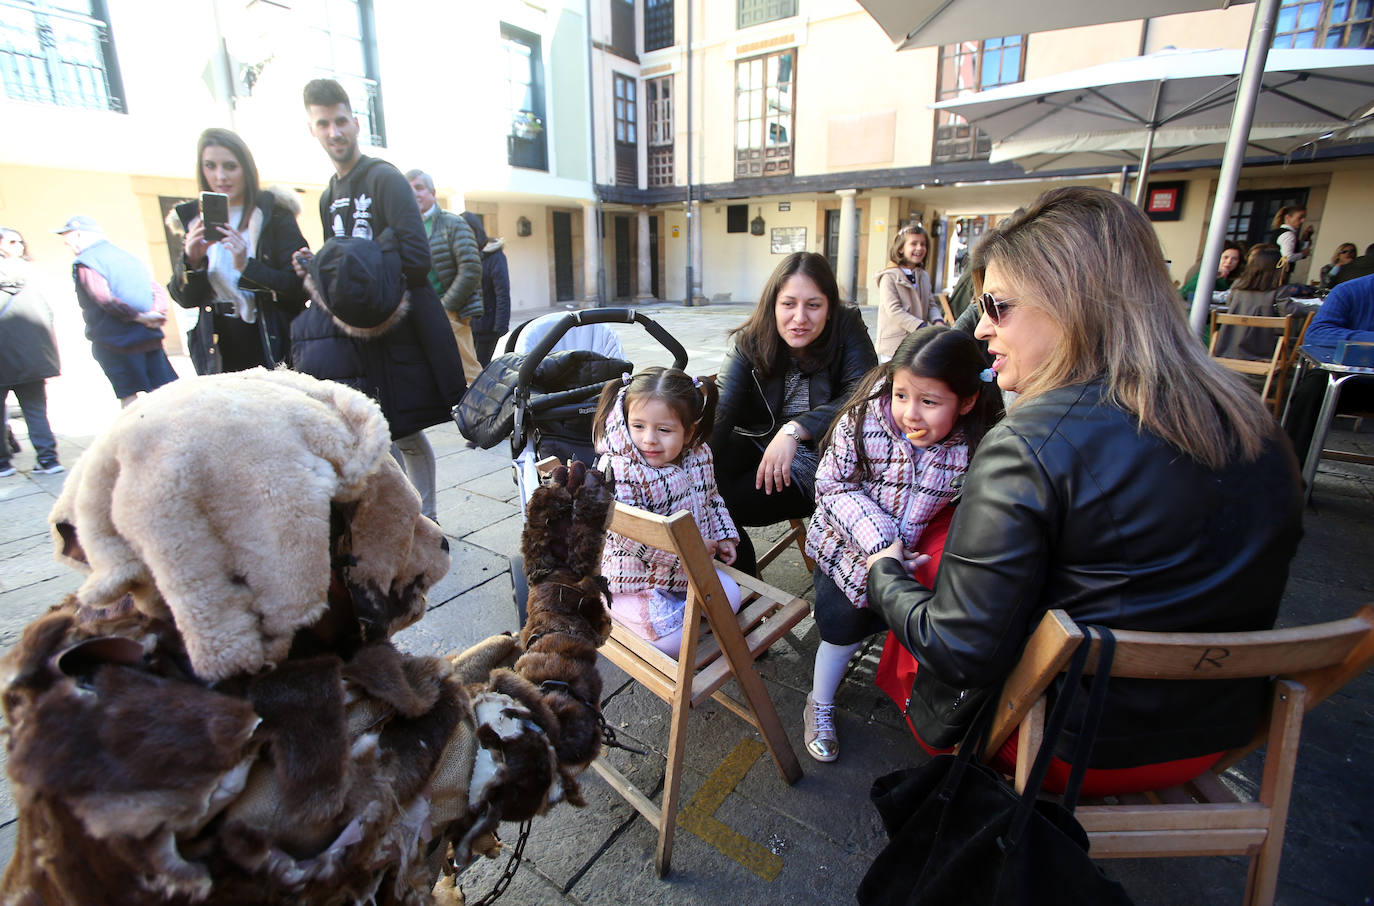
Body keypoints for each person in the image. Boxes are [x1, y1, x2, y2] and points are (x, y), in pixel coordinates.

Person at [867, 186, 1302, 797]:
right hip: (1217, 731)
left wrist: (883, 575)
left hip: (1069, 743)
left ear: (1070, 301)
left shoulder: (1029, 443)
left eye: (997, 304)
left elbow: (960, 651)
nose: (983, 327)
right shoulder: (1255, 420)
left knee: (924, 581)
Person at [801, 327, 1001, 762]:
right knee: (839, 631)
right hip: (846, 548)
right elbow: (831, 485)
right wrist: (882, 542)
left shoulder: (976, 440)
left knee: (911, 623)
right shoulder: (864, 418)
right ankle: (819, 702)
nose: (910, 414)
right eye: (902, 395)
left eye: (929, 402)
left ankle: (907, 691)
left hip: (908, 559)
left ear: (966, 402)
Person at [292, 78, 464, 523]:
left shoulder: (384, 178)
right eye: (323, 123)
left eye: (341, 120)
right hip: (356, 338)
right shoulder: (329, 194)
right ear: (312, 129)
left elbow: (416, 256)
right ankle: (395, 519)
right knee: (370, 432)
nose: (334, 132)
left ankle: (427, 522)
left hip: (398, 329)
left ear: (355, 121)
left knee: (403, 430)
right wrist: (318, 269)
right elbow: (341, 272)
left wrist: (366, 271)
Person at [711, 252, 878, 576]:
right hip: (760, 445)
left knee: (720, 505)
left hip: (823, 459)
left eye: (813, 305)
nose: (799, 318)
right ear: (773, 304)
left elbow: (863, 395)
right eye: (789, 304)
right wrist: (681, 467)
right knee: (700, 481)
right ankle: (731, 590)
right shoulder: (750, 340)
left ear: (829, 308)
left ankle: (737, 601)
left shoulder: (847, 328)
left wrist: (797, 428)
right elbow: (722, 411)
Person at [593, 367, 742, 658]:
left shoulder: (699, 456)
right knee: (674, 642)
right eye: (638, 426)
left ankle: (682, 608)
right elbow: (632, 539)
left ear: (688, 433)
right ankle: (606, 601)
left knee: (732, 598)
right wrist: (691, 552)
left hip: (690, 566)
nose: (649, 439)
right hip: (636, 574)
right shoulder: (618, 469)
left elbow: (712, 498)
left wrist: (724, 535)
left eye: (664, 429)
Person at [169, 128, 307, 373]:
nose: (220, 176)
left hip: (271, 342)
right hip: (218, 347)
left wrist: (247, 267)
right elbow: (184, 299)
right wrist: (191, 262)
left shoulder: (274, 215)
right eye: (210, 166)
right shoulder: (194, 220)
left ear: (246, 169)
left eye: (230, 166)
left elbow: (298, 288)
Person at [56, 215, 177, 407]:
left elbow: (104, 299)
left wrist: (140, 317)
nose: (66, 243)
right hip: (148, 337)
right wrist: (156, 315)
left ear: (79, 235)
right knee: (165, 394)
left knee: (129, 399)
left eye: (68, 237)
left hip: (115, 342)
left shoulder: (87, 262)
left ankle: (135, 437)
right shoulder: (127, 257)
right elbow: (156, 289)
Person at [1283, 272, 1374, 471]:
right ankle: (1289, 475)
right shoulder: (1350, 291)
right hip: (1353, 383)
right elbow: (1317, 335)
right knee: (1315, 387)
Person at [405, 169, 483, 385]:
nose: (414, 194)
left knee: (468, 374)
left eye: (419, 188)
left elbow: (471, 268)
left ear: (432, 192)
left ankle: (484, 416)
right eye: (409, 189)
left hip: (449, 312)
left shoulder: (453, 223)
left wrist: (446, 307)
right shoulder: (406, 227)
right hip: (418, 314)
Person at [0, 228, 63, 476]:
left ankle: (4, 463)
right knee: (35, 409)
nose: (18, 246)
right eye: (12, 241)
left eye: (19, 241)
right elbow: (47, 314)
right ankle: (48, 459)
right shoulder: (32, 276)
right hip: (32, 356)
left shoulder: (32, 275)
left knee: (35, 409)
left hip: (10, 356)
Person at [874, 223, 941, 359]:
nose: (919, 248)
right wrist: (920, 326)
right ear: (900, 249)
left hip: (918, 343)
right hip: (894, 346)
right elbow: (894, 310)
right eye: (914, 244)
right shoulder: (889, 277)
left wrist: (938, 321)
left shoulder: (924, 276)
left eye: (923, 244)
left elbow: (930, 304)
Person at [1213, 244, 1284, 360]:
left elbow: (1228, 304)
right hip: (1260, 351)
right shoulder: (1278, 292)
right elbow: (1286, 311)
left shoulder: (1239, 285)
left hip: (1227, 348)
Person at [462, 212, 511, 368]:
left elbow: (502, 292)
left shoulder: (495, 256)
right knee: (468, 369)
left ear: (476, 230)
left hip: (487, 326)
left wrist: (500, 326)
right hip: (468, 324)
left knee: (480, 369)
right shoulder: (465, 254)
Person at [1178, 240, 1243, 302]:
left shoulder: (1237, 280)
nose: (1229, 262)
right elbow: (1186, 294)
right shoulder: (1203, 272)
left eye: (1234, 259)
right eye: (1225, 257)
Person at [1269, 205, 1313, 280]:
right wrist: (1303, 254)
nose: (1303, 220)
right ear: (1288, 217)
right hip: (1279, 274)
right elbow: (1287, 258)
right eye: (1300, 217)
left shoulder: (1280, 232)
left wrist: (1305, 239)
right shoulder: (1288, 235)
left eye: (1304, 217)